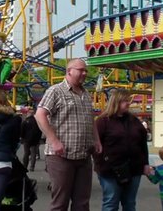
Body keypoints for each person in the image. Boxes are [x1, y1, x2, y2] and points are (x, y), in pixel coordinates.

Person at [35, 58, 102, 211]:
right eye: (81, 70)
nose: (85, 73)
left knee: (82, 203)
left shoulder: (86, 94)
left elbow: (90, 119)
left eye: (85, 70)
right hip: (61, 156)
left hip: (84, 155)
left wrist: (96, 140)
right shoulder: (55, 90)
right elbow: (40, 115)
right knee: (60, 202)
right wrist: (53, 140)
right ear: (69, 71)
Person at [94, 89, 150, 211]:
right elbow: (95, 145)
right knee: (111, 202)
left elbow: (142, 144)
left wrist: (146, 164)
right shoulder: (102, 121)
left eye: (128, 101)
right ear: (116, 102)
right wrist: (102, 164)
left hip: (134, 168)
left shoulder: (134, 121)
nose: (128, 103)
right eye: (125, 101)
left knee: (130, 203)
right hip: (110, 170)